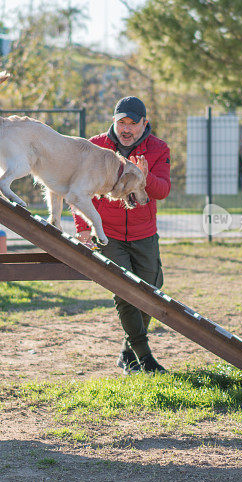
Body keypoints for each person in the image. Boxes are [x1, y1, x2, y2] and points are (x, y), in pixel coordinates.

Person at [74, 96, 171, 374]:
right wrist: (82, 226)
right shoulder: (95, 146)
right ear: (113, 121)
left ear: (144, 124)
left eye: (132, 123)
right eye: (121, 122)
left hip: (144, 233)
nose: (126, 128)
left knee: (152, 291)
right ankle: (145, 358)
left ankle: (127, 354)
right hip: (108, 233)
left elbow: (162, 191)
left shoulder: (158, 148)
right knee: (125, 290)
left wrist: (145, 176)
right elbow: (77, 190)